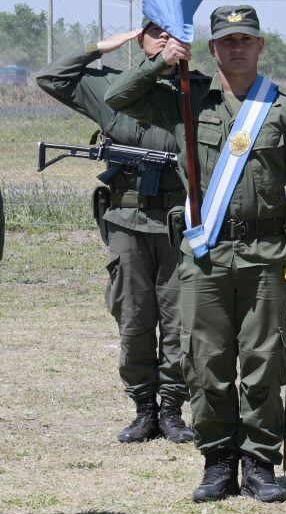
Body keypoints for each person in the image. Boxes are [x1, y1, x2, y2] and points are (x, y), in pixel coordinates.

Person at [107, 5, 286, 503]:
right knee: (204, 361)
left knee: (263, 359)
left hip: (267, 251)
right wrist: (162, 62)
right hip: (205, 251)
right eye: (226, 40)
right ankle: (218, 461)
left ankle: (258, 462)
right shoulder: (188, 101)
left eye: (245, 39)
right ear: (211, 49)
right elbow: (118, 97)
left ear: (260, 46)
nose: (236, 47)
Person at [35, 24, 196, 445]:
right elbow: (51, 77)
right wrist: (98, 47)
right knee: (133, 314)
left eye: (172, 32)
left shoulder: (199, 92)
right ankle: (143, 407)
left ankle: (172, 408)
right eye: (153, 31)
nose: (163, 39)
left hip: (180, 221)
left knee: (180, 318)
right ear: (140, 38)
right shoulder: (108, 85)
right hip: (125, 220)